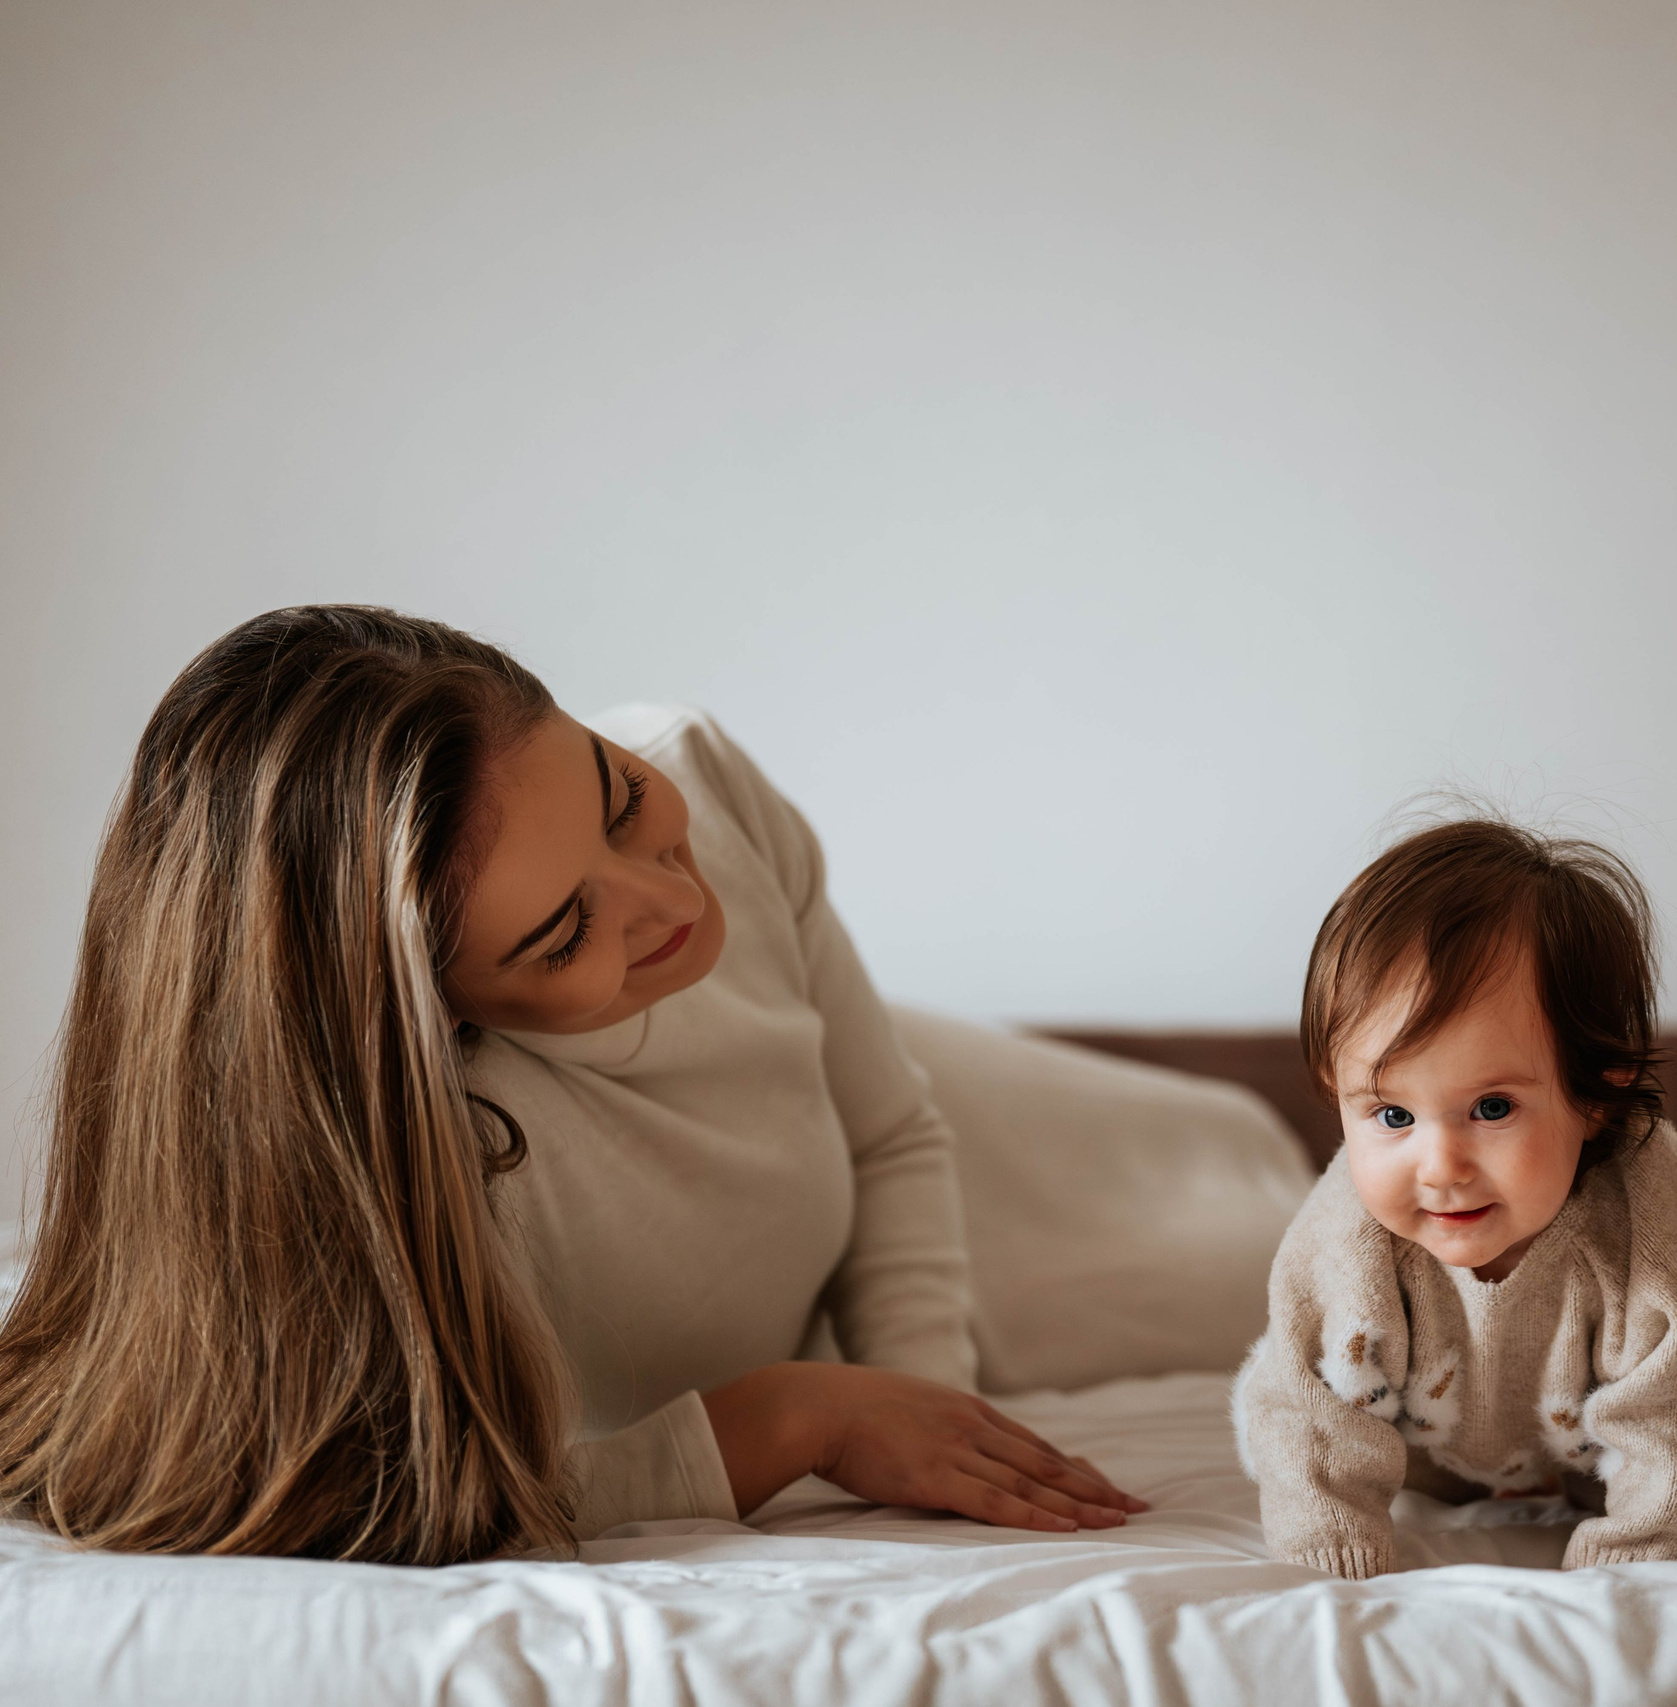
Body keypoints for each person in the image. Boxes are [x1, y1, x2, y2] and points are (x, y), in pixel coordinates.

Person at [0, 606, 1142, 1563]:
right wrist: (791, 1420)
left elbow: (890, 1134)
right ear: (425, 1018)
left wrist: (920, 1411)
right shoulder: (372, 1152)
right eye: (560, 936)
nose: (677, 904)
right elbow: (384, 1502)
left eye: (623, 803)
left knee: (1240, 1184)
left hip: (989, 1120)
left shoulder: (704, 772)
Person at [1235, 820, 1677, 1577]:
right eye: (1392, 1115)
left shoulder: (1653, 1222)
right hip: (1417, 1452)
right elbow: (1307, 1412)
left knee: (1663, 1425)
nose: (1441, 1165)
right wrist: (1333, 1552)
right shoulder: (1346, 1234)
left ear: (1596, 1097)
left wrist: (1638, 1562)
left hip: (1595, 1448)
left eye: (1491, 1108)